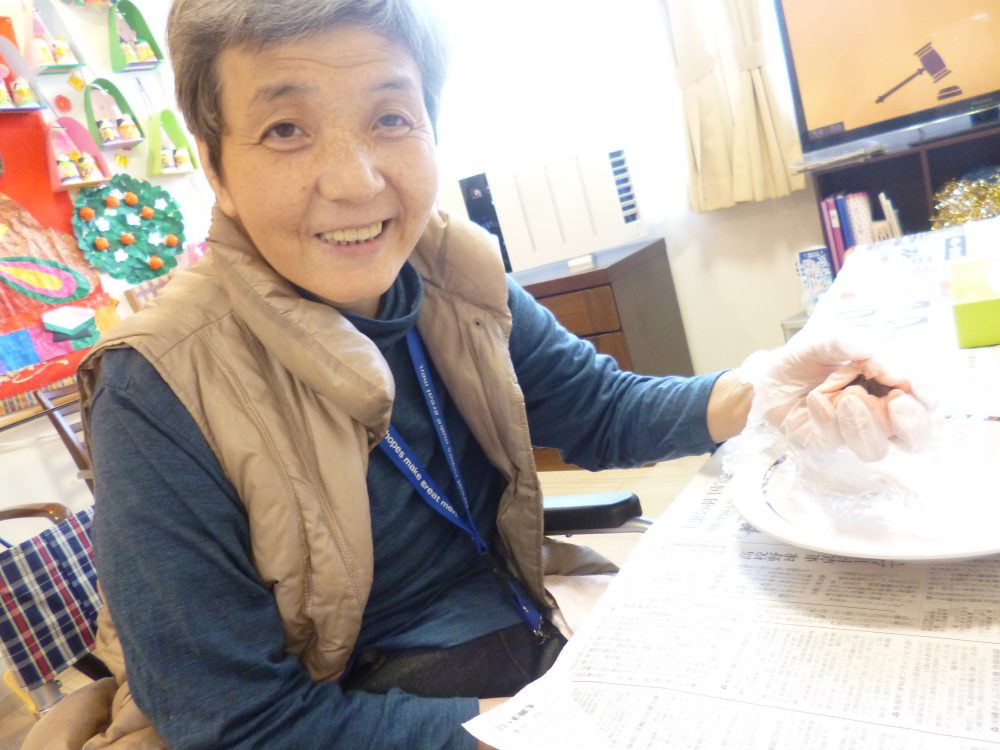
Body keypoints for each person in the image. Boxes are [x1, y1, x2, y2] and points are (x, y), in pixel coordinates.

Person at [24, 1, 929, 748]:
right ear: (216, 166)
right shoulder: (157, 384)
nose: (355, 180)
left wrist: (762, 386)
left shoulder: (450, 268)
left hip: (521, 630)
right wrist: (527, 728)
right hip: (363, 711)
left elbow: (602, 410)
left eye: (390, 117)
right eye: (286, 129)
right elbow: (235, 723)